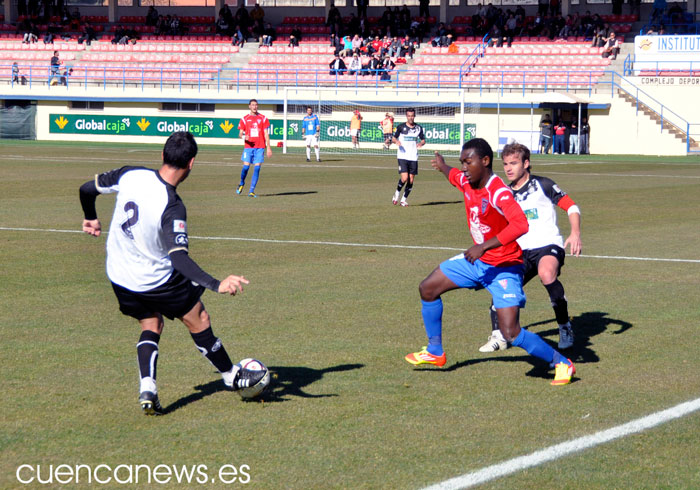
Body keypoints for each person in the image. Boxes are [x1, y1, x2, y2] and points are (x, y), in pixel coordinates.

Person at [78, 131, 266, 415]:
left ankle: (148, 387)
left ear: (163, 156)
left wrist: (90, 216)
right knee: (198, 317)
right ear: (191, 164)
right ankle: (230, 375)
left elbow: (86, 189)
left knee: (150, 323)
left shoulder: (131, 174)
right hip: (156, 279)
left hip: (119, 274)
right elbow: (179, 259)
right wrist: (217, 284)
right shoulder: (172, 205)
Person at [404, 139, 576, 386]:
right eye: (462, 162)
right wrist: (442, 166)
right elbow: (453, 176)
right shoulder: (467, 180)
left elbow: (520, 224)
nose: (464, 167)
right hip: (477, 262)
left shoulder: (499, 191)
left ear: (485, 161)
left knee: (511, 333)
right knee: (428, 288)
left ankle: (562, 362)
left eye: (468, 162)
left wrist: (483, 246)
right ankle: (435, 351)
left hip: (505, 267)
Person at [478, 143, 581, 353]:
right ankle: (499, 336)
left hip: (547, 245)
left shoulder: (543, 184)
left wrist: (575, 232)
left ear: (526, 163)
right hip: (519, 251)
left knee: (546, 273)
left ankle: (565, 327)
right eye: (505, 164)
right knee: (502, 286)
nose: (508, 168)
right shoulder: (504, 193)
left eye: (514, 163)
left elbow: (571, 206)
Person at [237, 99, 272, 198]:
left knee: (257, 168)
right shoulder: (244, 119)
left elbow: (266, 134)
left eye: (256, 105)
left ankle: (251, 191)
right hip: (248, 147)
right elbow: (240, 133)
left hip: (260, 147)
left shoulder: (263, 118)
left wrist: (268, 147)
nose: (255, 107)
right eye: (253, 105)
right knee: (246, 167)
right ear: (249, 106)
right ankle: (241, 183)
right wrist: (244, 136)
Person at [391, 108, 426, 207]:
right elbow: (393, 137)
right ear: (406, 116)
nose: (411, 117)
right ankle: (397, 194)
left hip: (413, 156)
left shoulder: (418, 128)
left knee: (411, 179)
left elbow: (423, 140)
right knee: (405, 177)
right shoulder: (401, 127)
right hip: (402, 155)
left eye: (412, 116)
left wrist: (421, 143)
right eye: (409, 116)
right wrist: (396, 141)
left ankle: (403, 200)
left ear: (414, 116)